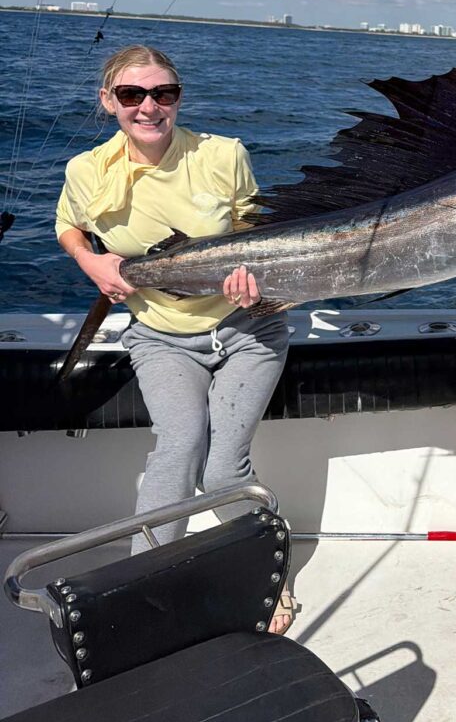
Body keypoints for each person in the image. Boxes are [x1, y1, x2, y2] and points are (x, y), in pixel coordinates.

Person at [55, 44, 298, 634]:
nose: (148, 107)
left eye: (162, 93)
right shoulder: (86, 170)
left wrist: (253, 279)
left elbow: (256, 232)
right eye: (132, 95)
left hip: (246, 327)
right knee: (179, 446)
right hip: (161, 333)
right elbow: (69, 227)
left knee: (222, 472)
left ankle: (270, 579)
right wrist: (92, 266)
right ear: (108, 100)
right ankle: (145, 587)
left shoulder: (223, 155)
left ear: (177, 98)